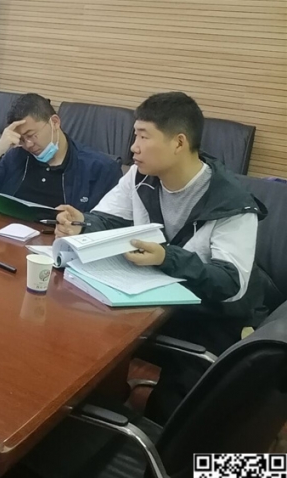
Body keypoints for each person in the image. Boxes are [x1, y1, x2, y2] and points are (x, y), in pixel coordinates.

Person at [55, 92, 267, 421]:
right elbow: (108, 218)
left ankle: (130, 437)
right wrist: (82, 224)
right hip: (152, 303)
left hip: (208, 320)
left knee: (171, 412)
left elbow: (230, 283)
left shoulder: (232, 203)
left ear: (179, 142)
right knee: (76, 334)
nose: (133, 148)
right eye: (135, 135)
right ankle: (86, 411)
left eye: (143, 136)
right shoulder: (140, 177)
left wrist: (166, 257)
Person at [0, 93, 121, 210]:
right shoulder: (16, 157)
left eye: (31, 135)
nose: (28, 144)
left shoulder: (99, 169)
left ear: (55, 122)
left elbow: (106, 224)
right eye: (21, 139)